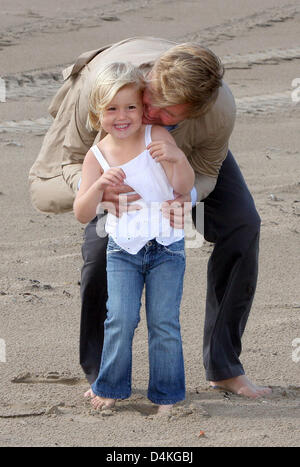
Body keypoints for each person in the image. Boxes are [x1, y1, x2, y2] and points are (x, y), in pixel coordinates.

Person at [29, 37, 272, 399]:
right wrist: (97, 189)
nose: (152, 113)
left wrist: (184, 197)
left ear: (193, 111)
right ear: (151, 78)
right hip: (110, 153)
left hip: (179, 156)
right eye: (151, 99)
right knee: (100, 253)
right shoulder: (104, 90)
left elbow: (207, 169)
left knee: (243, 225)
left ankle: (224, 367)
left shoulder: (217, 111)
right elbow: (73, 158)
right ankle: (101, 376)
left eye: (167, 112)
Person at [73, 62, 194, 412]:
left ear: (143, 110)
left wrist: (177, 158)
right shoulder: (96, 156)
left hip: (167, 248)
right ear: (98, 114)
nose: (122, 116)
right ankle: (110, 386)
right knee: (120, 318)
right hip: (122, 251)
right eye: (111, 109)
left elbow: (182, 187)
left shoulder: (156, 137)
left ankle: (167, 396)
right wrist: (98, 185)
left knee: (164, 322)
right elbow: (82, 212)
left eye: (130, 107)